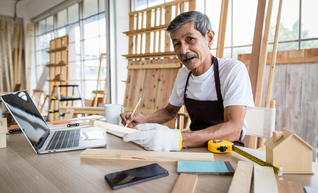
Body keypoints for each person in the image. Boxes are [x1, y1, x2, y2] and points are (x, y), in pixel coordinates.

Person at [120, 11, 254, 152]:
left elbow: (233, 129)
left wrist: (176, 138)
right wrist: (143, 119)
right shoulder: (184, 74)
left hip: (225, 149)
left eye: (190, 39)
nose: (183, 50)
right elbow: (169, 112)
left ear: (209, 38)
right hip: (194, 146)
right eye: (177, 44)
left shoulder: (232, 70)